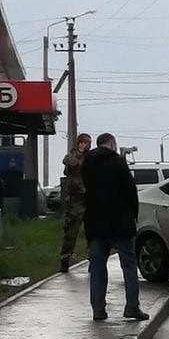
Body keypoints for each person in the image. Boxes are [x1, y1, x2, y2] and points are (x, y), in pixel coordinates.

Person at [81, 132, 148, 322]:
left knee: (97, 268)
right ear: (111, 144)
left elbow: (86, 190)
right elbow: (130, 190)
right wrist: (133, 215)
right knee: (128, 265)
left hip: (95, 224)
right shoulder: (118, 162)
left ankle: (98, 310)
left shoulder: (87, 163)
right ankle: (132, 307)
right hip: (120, 224)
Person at [59, 133, 92, 272]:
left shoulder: (90, 158)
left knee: (92, 233)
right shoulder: (71, 156)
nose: (84, 145)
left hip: (89, 200)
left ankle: (93, 260)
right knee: (70, 233)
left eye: (87, 143)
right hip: (74, 201)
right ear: (78, 143)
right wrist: (77, 154)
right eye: (82, 142)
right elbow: (70, 166)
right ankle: (65, 260)